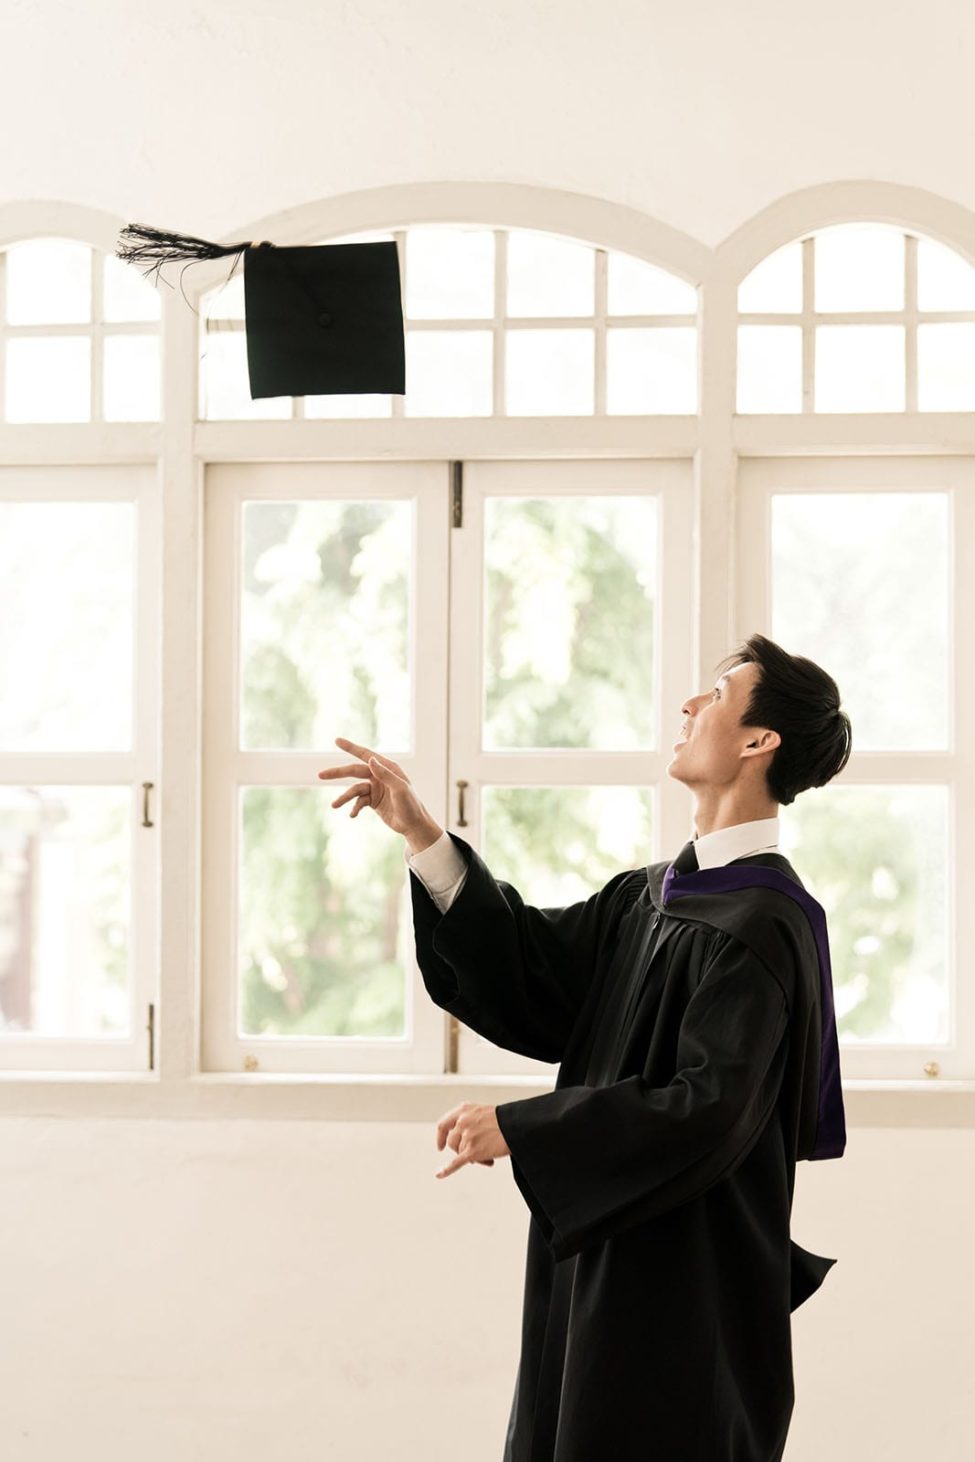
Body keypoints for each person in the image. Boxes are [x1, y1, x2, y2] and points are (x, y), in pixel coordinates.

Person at [319, 631, 852, 1462]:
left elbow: (707, 1110)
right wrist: (423, 836)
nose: (687, 704)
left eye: (716, 694)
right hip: (599, 1265)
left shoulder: (765, 926)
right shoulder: (648, 896)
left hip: (686, 1287)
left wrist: (526, 1128)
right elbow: (529, 968)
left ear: (759, 740)